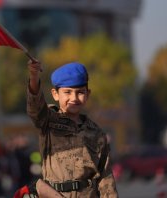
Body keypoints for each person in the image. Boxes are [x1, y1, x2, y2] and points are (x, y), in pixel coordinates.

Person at [22, 61, 118, 197]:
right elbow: (35, 106)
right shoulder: (48, 120)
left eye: (80, 92)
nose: (74, 98)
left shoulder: (96, 132)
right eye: (67, 92)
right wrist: (34, 76)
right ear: (55, 94)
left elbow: (105, 176)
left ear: (88, 94)